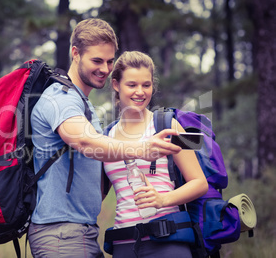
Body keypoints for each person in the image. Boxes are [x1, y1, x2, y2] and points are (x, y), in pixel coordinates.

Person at [28, 19, 182, 258]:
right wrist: (142, 148)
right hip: (60, 233)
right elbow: (85, 142)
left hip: (81, 231)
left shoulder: (83, 103)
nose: (105, 68)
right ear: (75, 53)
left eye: (110, 61)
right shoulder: (61, 98)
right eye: (97, 60)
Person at [103, 51, 209, 257]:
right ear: (116, 85)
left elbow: (199, 182)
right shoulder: (107, 135)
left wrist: (163, 200)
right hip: (123, 243)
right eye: (132, 85)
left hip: (168, 241)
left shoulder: (168, 125)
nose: (140, 92)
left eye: (146, 85)